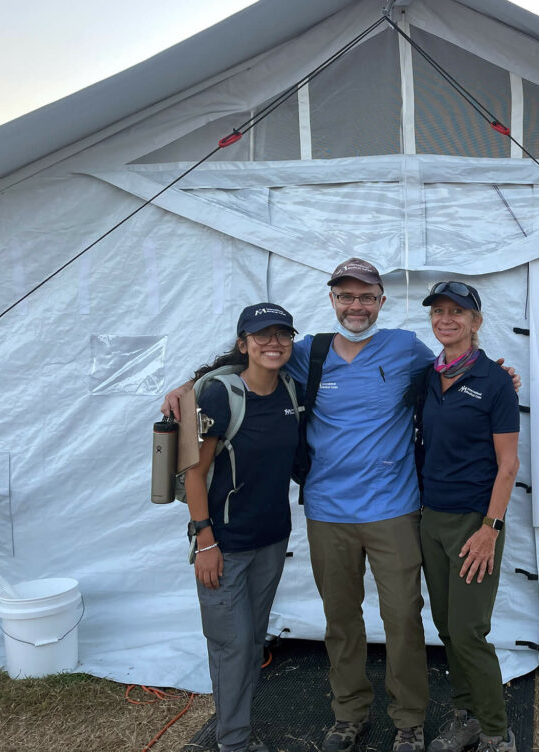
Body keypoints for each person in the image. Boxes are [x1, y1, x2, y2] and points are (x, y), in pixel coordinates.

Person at [163, 259, 519, 752]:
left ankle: (409, 721)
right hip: (328, 513)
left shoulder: (406, 348)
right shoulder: (306, 351)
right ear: (332, 301)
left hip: (395, 511)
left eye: (366, 297)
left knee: (403, 620)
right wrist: (187, 386)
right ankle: (349, 714)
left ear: (381, 302)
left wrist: (499, 375)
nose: (356, 306)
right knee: (342, 622)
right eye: (346, 297)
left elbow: (456, 370)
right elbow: (249, 360)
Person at [186, 303, 300, 752]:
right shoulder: (221, 395)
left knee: (251, 642)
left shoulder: (291, 389)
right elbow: (194, 472)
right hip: (224, 545)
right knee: (231, 645)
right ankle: (233, 743)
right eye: (261, 335)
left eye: (282, 335)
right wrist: (204, 541)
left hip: (272, 539)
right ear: (242, 344)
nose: (273, 343)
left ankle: (238, 726)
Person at [411, 282, 520, 752]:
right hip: (430, 518)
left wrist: (489, 530)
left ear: (476, 321)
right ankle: (466, 716)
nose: (446, 319)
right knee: (447, 627)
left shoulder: (494, 382)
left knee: (471, 632)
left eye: (458, 311)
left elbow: (509, 464)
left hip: (474, 522)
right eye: (438, 311)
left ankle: (497, 731)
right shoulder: (426, 377)